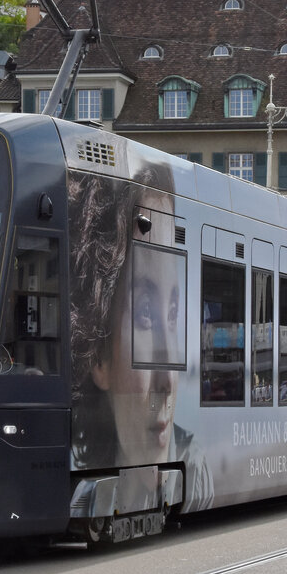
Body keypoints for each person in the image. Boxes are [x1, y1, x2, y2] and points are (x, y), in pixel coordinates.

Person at [69, 159, 213, 511]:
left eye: (174, 313)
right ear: (99, 356)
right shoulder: (77, 498)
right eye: (146, 315)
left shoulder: (199, 472)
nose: (168, 380)